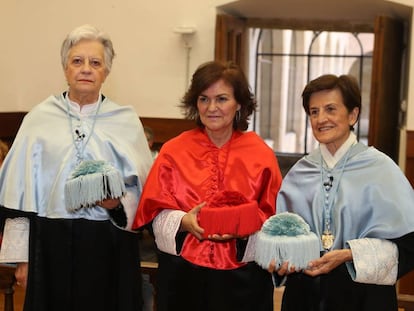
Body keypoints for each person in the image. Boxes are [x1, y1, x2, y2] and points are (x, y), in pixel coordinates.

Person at [0, 24, 153, 311]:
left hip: (108, 245)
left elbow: (144, 192)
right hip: (48, 244)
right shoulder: (38, 119)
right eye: (77, 61)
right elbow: (16, 199)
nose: (86, 69)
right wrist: (21, 259)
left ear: (106, 71)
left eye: (95, 63)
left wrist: (116, 205)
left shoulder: (126, 121)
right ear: (65, 68)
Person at [133, 60, 283, 311]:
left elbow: (275, 218)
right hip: (183, 277)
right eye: (204, 99)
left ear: (239, 104)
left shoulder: (261, 154)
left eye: (222, 99)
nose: (212, 108)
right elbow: (152, 211)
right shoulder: (173, 150)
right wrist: (184, 221)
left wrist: (242, 225)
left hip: (243, 280)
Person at [269, 74, 414, 311]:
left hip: (364, 296)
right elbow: (282, 240)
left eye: (330, 109)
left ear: (353, 115)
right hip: (306, 296)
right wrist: (283, 257)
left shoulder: (381, 169)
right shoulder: (300, 173)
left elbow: (408, 245)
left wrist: (349, 254)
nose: (320, 119)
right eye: (314, 112)